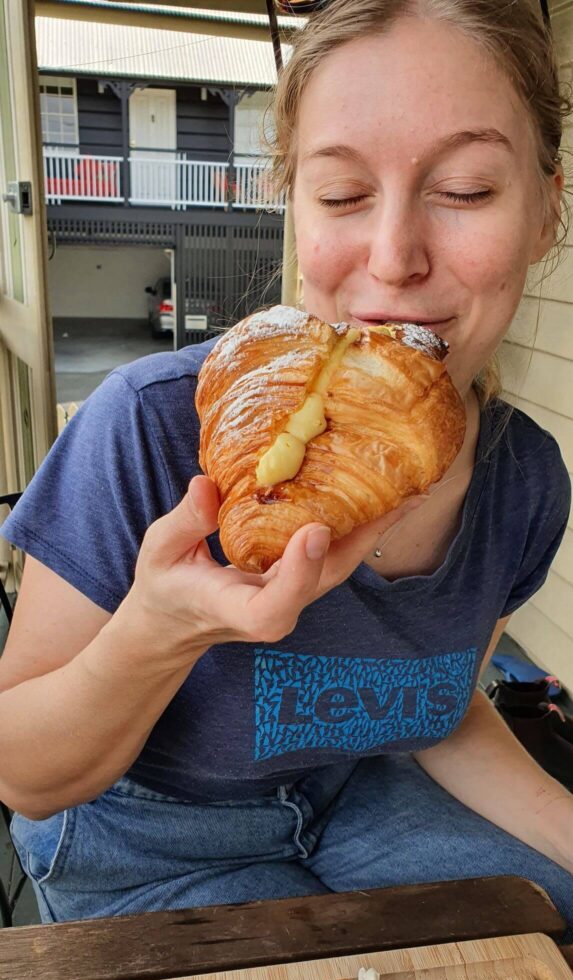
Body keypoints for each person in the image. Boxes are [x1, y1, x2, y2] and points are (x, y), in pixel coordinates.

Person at [1, 0, 572, 932]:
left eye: (466, 189)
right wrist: (161, 630)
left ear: (546, 208)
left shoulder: (525, 481)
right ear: (295, 206)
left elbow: (438, 703)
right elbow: (24, 775)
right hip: (145, 837)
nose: (392, 259)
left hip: (354, 793)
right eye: (343, 195)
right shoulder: (149, 428)